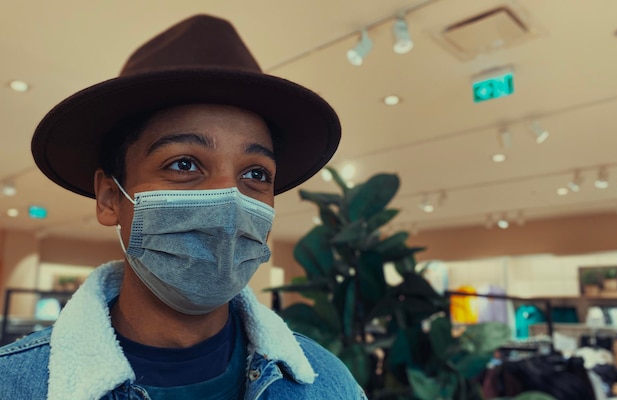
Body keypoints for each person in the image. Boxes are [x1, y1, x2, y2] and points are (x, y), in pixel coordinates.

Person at [0, 14, 366, 399]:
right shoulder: (13, 384)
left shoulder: (328, 385)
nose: (229, 200)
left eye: (256, 174)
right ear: (110, 198)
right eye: (184, 164)